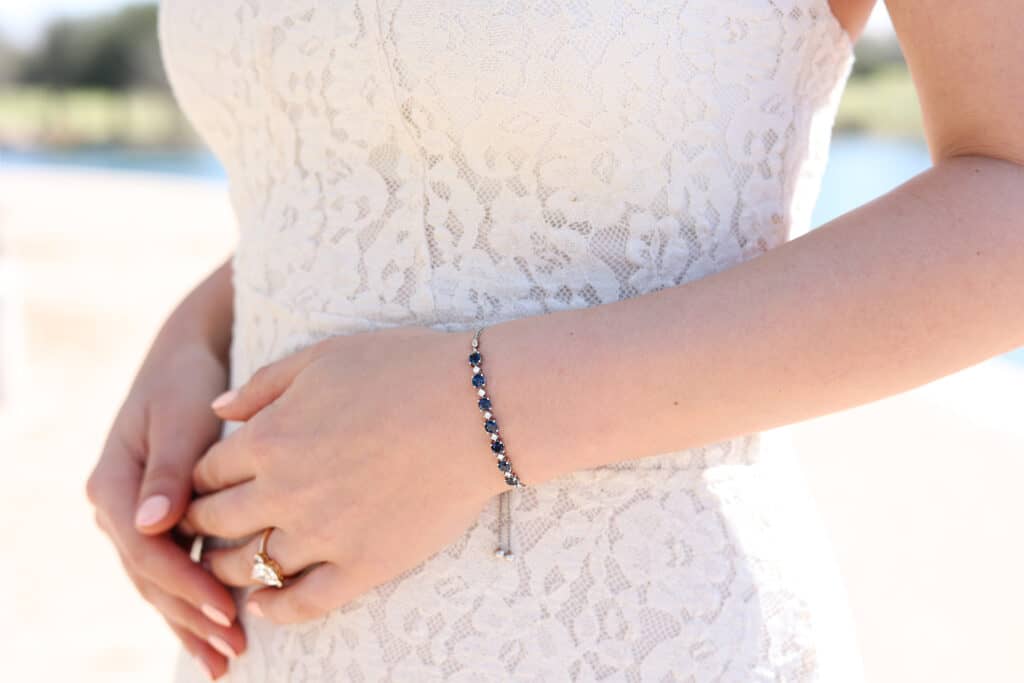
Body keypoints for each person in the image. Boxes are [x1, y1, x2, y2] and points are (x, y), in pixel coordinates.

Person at [86, 0, 1024, 680]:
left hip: (631, 637)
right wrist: (201, 336)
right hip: (266, 646)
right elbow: (373, 165)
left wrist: (475, 412)